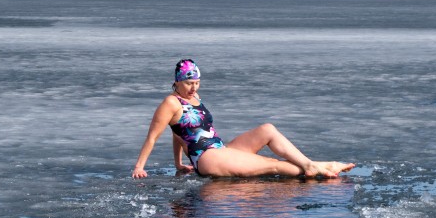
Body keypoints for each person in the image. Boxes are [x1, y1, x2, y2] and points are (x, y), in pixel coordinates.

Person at [132, 59, 355, 179]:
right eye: (189, 83)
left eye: (197, 82)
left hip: (220, 149)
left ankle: (311, 165)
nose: (194, 87)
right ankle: (319, 167)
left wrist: (178, 163)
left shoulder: (194, 97)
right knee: (272, 165)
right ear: (177, 82)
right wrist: (139, 167)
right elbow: (153, 137)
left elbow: (178, 132)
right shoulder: (170, 103)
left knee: (267, 129)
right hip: (208, 159)